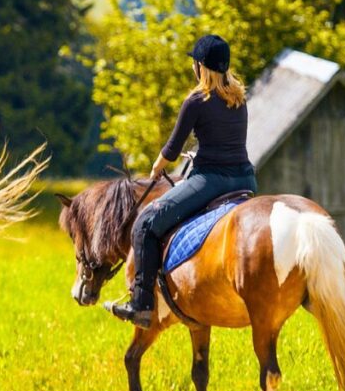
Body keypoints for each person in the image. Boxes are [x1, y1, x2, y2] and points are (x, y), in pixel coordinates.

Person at [108, 34, 258, 329]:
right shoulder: (238, 98)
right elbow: (225, 142)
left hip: (211, 181)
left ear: (200, 67)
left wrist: (156, 167)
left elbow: (172, 150)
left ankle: (141, 304)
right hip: (245, 180)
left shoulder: (196, 101)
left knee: (147, 223)